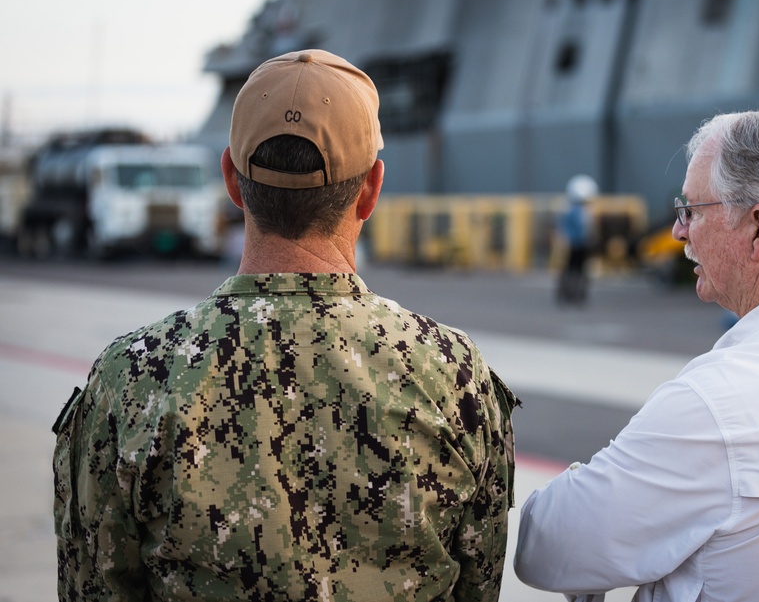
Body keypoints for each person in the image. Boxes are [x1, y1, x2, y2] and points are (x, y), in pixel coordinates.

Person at [52, 49, 517, 602]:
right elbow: (479, 583)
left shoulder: (129, 378)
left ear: (230, 177)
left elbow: (93, 585)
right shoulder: (453, 375)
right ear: (371, 189)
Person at [515, 108, 759, 601]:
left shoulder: (717, 402)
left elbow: (547, 547)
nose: (679, 231)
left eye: (692, 210)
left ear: (758, 229)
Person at [556, 174, 598, 305]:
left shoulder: (567, 208)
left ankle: (569, 292)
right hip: (578, 244)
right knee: (577, 269)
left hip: (575, 244)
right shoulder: (579, 211)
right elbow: (586, 228)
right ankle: (574, 293)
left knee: (572, 268)